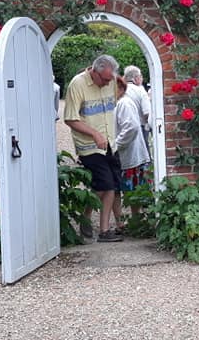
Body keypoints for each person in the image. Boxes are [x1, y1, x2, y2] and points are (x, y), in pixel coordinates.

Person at [63, 54, 124, 242]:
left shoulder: (111, 81)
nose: (108, 83)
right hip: (89, 146)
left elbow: (117, 95)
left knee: (112, 185)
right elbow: (70, 118)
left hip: (110, 143)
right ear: (94, 72)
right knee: (104, 184)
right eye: (105, 79)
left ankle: (104, 229)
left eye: (110, 79)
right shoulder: (77, 84)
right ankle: (89, 218)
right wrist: (95, 134)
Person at [112, 76, 152, 230]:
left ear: (121, 88)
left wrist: (116, 145)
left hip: (130, 155)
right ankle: (123, 222)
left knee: (132, 190)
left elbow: (132, 127)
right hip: (127, 155)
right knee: (120, 189)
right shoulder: (117, 103)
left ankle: (134, 221)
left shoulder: (124, 103)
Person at [123, 64, 152, 155]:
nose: (142, 78)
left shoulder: (120, 90)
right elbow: (147, 112)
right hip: (140, 127)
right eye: (140, 76)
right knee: (143, 154)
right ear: (136, 78)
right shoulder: (140, 91)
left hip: (124, 128)